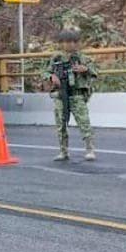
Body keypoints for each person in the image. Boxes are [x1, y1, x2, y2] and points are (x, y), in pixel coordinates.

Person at [47, 28, 99, 161]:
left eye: (73, 42)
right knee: (61, 124)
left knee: (84, 122)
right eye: (66, 42)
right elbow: (45, 72)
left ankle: (90, 149)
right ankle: (63, 151)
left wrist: (85, 69)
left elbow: (95, 72)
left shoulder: (82, 58)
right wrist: (51, 76)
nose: (70, 45)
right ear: (61, 43)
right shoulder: (55, 58)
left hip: (76, 94)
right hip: (60, 94)